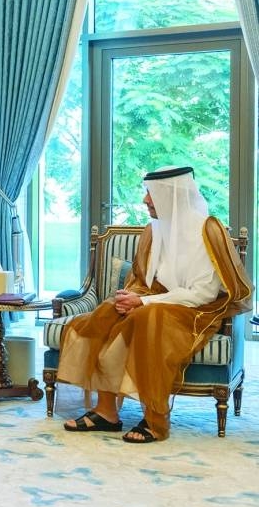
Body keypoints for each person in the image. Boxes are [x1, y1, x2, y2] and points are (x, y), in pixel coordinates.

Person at [59, 166, 252, 443]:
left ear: (170, 195)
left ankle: (154, 418)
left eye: (150, 193)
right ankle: (106, 413)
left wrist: (143, 302)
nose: (145, 200)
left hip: (195, 310)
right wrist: (130, 299)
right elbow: (144, 281)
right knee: (107, 311)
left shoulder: (207, 230)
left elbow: (201, 294)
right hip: (157, 302)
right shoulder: (154, 230)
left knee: (148, 319)